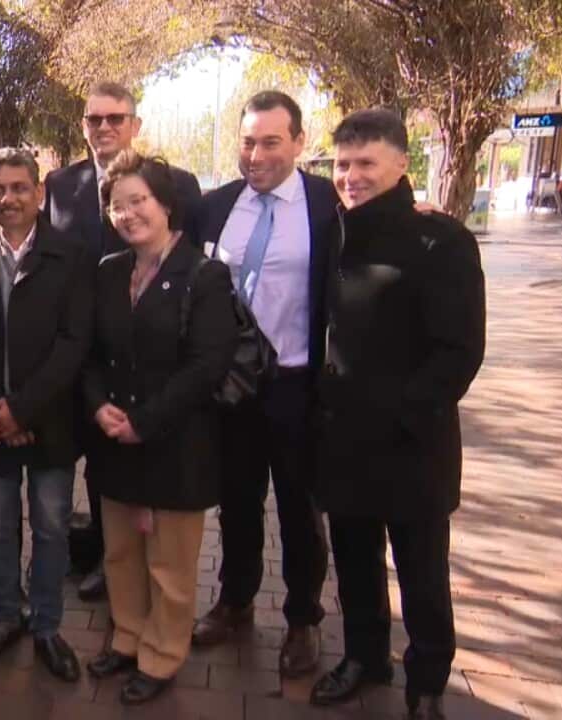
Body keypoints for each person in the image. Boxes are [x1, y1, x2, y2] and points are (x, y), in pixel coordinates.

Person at [308, 109, 485, 720]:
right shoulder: (337, 228)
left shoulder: (442, 241)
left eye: (365, 164)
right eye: (343, 165)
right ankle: (363, 657)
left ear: (401, 164)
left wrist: (402, 415)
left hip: (412, 442)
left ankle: (428, 681)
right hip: (346, 439)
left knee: (422, 573)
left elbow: (460, 351)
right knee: (355, 563)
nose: (351, 177)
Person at [82, 150, 238, 705]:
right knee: (121, 554)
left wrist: (143, 424)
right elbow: (91, 354)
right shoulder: (107, 272)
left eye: (138, 201)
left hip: (174, 444)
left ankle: (161, 655)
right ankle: (126, 637)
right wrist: (99, 406)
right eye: (117, 206)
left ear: (165, 204)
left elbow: (207, 365)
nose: (127, 215)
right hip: (113, 441)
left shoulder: (204, 274)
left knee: (170, 565)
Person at [190, 91, 333, 677]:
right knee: (238, 501)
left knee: (300, 508)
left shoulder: (327, 205)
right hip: (234, 387)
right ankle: (236, 599)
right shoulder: (217, 205)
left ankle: (303, 619)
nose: (257, 154)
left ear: (299, 142)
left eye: (271, 141)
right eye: (248, 141)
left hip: (299, 383)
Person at [45, 80, 203, 601]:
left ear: (135, 124)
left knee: (139, 459)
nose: (104, 128)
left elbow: (194, 257)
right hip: (82, 347)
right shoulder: (60, 184)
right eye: (94, 119)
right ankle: (99, 555)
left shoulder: (177, 183)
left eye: (116, 118)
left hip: (151, 352)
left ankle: (141, 574)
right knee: (93, 451)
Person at [0, 148, 92, 682]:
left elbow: (75, 342)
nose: (7, 199)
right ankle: (5, 617)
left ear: (40, 192)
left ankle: (48, 627)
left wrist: (23, 408)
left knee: (51, 527)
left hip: (50, 421)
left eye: (18, 188)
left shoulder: (71, 257)